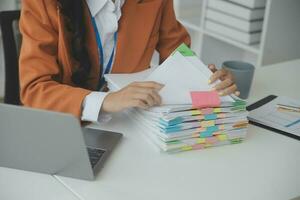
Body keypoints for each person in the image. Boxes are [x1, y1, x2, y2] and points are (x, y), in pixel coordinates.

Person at [19, 0, 239, 123]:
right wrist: (107, 101)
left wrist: (205, 78)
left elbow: (178, 54)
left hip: (130, 125)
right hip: (61, 126)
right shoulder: (43, 2)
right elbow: (34, 89)